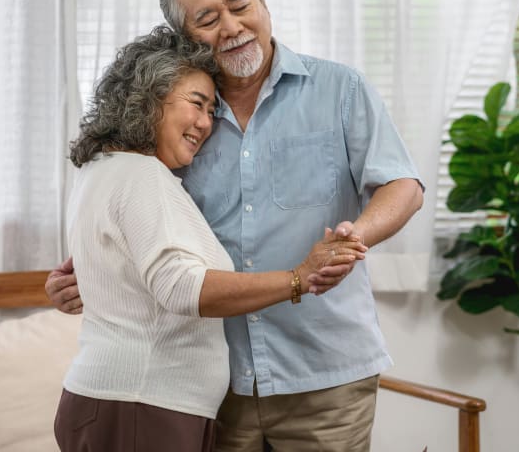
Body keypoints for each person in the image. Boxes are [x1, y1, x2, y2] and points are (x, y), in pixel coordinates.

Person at [48, 0, 424, 452]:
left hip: (324, 374)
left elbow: (403, 185)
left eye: (239, 5)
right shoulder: (176, 121)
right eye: (207, 18)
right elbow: (137, 218)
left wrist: (356, 235)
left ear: (263, 2)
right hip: (218, 385)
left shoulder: (341, 89)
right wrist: (95, 274)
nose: (230, 26)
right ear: (186, 37)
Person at [53, 25, 363, 452]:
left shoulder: (101, 169)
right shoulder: (141, 175)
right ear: (147, 98)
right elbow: (181, 288)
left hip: (121, 401)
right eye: (197, 104)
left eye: (211, 112)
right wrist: (299, 277)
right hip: (144, 406)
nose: (205, 124)